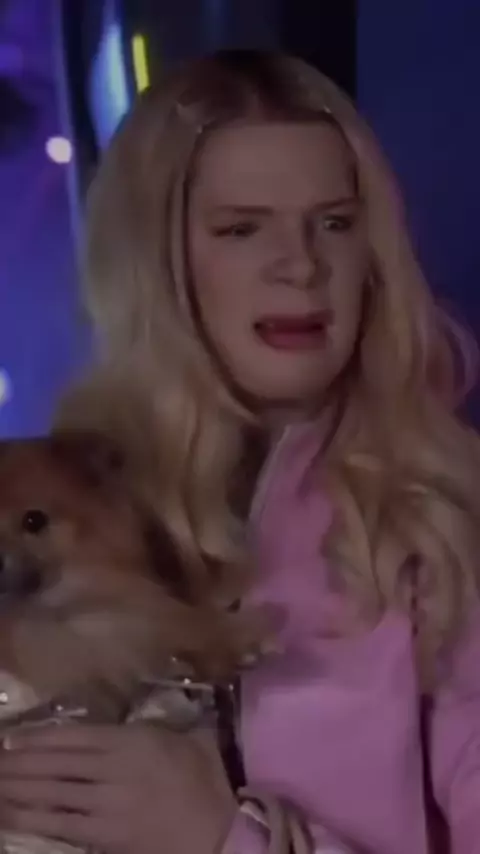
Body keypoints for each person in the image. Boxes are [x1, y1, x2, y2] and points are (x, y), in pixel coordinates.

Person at [0, 48, 480, 854]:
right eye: (241, 229)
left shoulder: (444, 522)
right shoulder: (56, 500)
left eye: (335, 223)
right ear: (159, 263)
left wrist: (221, 837)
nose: (301, 266)